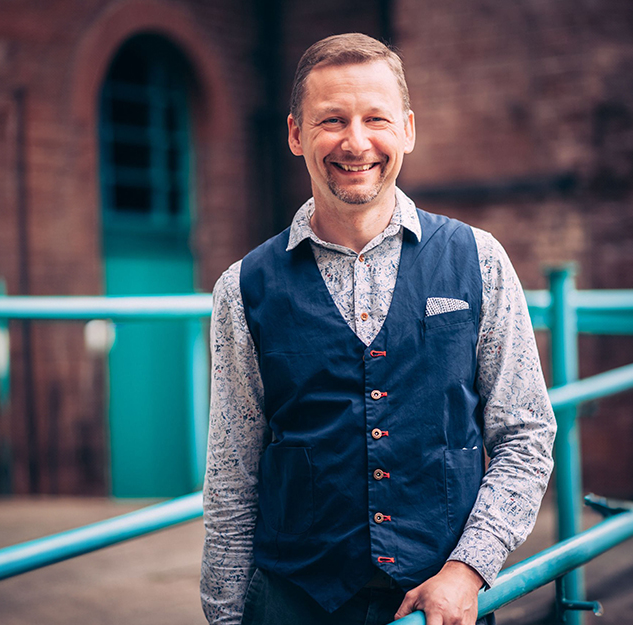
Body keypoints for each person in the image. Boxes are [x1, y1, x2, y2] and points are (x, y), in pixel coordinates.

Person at [201, 33, 556, 625]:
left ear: (408, 130)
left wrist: (468, 569)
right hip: (294, 602)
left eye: (376, 119)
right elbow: (232, 481)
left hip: (441, 602)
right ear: (295, 135)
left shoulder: (480, 260)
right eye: (332, 120)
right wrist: (223, 616)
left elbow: (525, 434)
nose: (356, 142)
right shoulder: (243, 288)